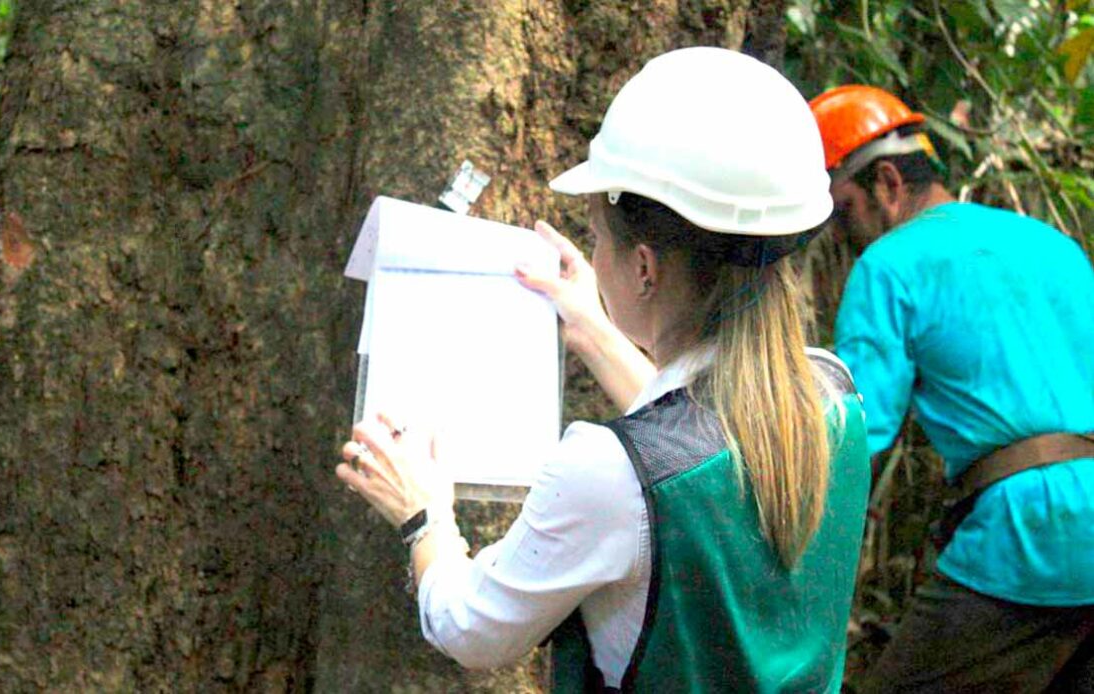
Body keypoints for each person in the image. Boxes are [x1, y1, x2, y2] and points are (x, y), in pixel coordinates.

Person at [336, 48, 870, 692]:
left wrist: (423, 512)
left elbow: (470, 627)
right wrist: (591, 325)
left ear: (644, 268)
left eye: (596, 235)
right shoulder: (830, 392)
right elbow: (698, 442)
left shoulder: (606, 472)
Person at [810, 84, 1094, 692]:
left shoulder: (889, 264)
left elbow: (858, 434)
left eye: (843, 211)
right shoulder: (1054, 245)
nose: (842, 236)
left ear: (887, 182)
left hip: (1031, 537)